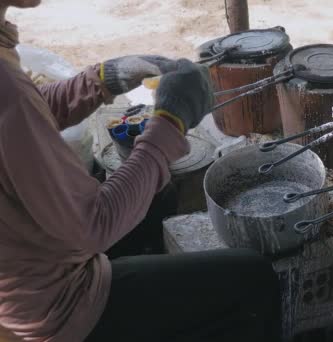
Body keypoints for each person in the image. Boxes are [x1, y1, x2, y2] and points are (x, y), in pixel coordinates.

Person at [0, 1, 282, 341]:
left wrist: (100, 81)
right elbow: (94, 223)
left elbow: (27, 112)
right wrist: (169, 125)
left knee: (158, 196)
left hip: (28, 264)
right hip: (58, 307)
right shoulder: (7, 91)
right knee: (252, 278)